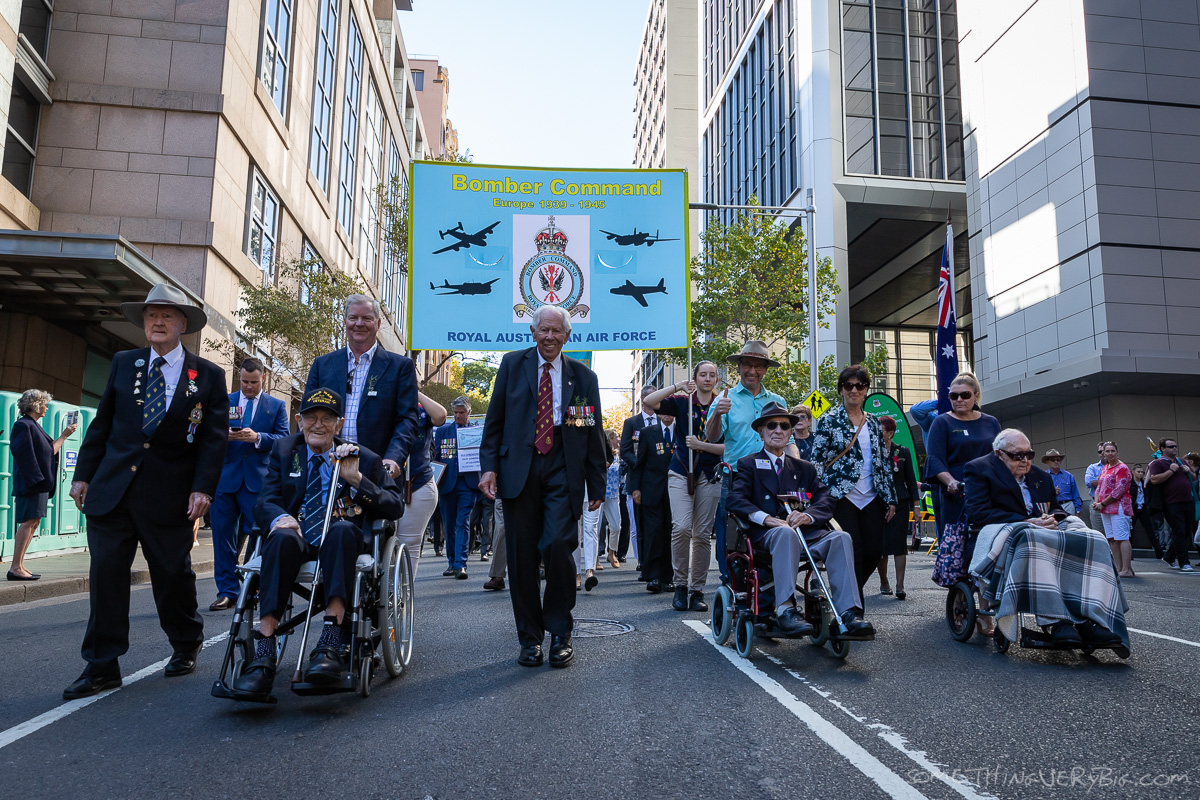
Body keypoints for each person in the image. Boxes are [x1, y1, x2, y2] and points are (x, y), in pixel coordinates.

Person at [64, 284, 228, 699]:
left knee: (172, 575)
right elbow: (101, 425)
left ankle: (186, 640)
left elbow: (212, 440)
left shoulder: (207, 376)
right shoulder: (124, 363)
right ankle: (102, 665)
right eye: (151, 315)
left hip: (169, 495)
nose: (157, 322)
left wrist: (202, 488)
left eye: (167, 315)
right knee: (106, 576)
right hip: (113, 489)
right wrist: (83, 475)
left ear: (182, 324)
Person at [231, 387, 403, 696]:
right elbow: (263, 501)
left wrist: (357, 481)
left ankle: (330, 642)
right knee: (280, 538)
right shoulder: (284, 451)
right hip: (297, 538)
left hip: (340, 541)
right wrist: (278, 517)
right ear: (299, 420)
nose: (318, 425)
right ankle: (264, 651)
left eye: (327, 419)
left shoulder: (362, 457)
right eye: (311, 417)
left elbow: (395, 505)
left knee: (340, 529)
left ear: (338, 426)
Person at [478, 305, 606, 669]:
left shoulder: (584, 377)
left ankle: (561, 633)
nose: (549, 337)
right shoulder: (512, 365)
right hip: (518, 468)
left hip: (563, 469)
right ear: (533, 333)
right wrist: (489, 468)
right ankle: (530, 639)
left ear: (568, 336)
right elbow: (494, 420)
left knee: (557, 547)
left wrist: (596, 480)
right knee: (520, 561)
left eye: (557, 331)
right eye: (543, 330)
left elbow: (594, 432)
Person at [965, 429, 1128, 649]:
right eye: (1017, 455)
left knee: (1093, 538)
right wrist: (1027, 521)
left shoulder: (1040, 476)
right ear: (999, 454)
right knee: (1033, 538)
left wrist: (1053, 518)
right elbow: (978, 513)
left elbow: (1055, 508)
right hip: (1003, 530)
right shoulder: (979, 469)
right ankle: (1055, 621)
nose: (1024, 460)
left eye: (1029, 454)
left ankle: (1094, 618)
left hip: (1041, 529)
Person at [726, 403, 873, 636]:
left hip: (805, 534)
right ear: (761, 432)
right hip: (767, 536)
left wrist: (807, 515)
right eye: (771, 425)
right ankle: (786, 609)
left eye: (784, 426)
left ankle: (848, 612)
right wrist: (767, 519)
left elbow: (825, 499)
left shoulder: (805, 468)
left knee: (841, 537)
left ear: (790, 432)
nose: (778, 430)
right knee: (784, 533)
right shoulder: (749, 464)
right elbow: (735, 500)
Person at [304, 293, 419, 487]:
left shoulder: (400, 367)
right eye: (353, 318)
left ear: (378, 322)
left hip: (376, 468)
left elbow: (407, 420)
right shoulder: (322, 365)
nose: (359, 323)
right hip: (327, 465)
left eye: (367, 318)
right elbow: (307, 414)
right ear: (345, 321)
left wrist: (393, 458)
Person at [809, 365, 896, 603]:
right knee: (852, 550)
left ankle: (846, 597)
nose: (854, 390)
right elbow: (816, 461)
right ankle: (853, 608)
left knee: (874, 551)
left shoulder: (874, 423)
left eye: (860, 385)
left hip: (872, 495)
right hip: (840, 495)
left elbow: (882, 462)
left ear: (866, 389)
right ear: (841, 390)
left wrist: (891, 499)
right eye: (849, 386)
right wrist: (816, 497)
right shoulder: (829, 421)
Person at [208, 358, 289, 611]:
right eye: (244, 381)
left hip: (257, 482)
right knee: (222, 536)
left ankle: (252, 585)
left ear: (262, 378)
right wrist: (225, 435)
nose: (248, 387)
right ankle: (227, 591)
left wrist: (258, 438)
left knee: (259, 534)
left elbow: (284, 440)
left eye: (253, 382)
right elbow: (207, 433)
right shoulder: (226, 401)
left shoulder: (275, 406)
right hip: (224, 479)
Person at [643, 361, 725, 612]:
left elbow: (728, 447)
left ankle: (697, 589)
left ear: (717, 381)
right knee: (680, 528)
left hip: (710, 474)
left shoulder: (722, 405)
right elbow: (649, 402)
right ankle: (679, 584)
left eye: (712, 375)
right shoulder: (682, 402)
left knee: (701, 534)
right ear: (695, 378)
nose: (708, 379)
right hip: (680, 471)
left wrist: (702, 446)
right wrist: (677, 386)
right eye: (703, 374)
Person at [704, 340, 787, 577]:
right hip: (737, 477)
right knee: (730, 532)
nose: (752, 371)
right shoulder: (724, 399)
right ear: (738, 366)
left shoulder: (777, 401)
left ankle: (768, 580)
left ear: (765, 370)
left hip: (772, 477)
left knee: (772, 527)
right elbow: (712, 437)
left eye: (758, 366)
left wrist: (800, 471)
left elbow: (789, 443)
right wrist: (718, 413)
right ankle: (730, 580)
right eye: (747, 365)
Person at [8, 389, 77, 581]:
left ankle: (20, 565)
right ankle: (15, 567)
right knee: (28, 522)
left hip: (39, 484)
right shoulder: (23, 425)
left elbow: (48, 452)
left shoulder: (34, 425)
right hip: (33, 484)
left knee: (34, 522)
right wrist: (37, 480)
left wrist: (64, 436)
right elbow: (24, 456)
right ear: (36, 405)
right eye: (44, 404)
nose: (46, 407)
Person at [924, 372, 1001, 538]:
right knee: (957, 544)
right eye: (954, 395)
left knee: (990, 538)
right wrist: (951, 482)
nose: (959, 400)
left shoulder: (991, 422)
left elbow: (1001, 456)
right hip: (957, 493)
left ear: (976, 396)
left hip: (988, 490)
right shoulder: (942, 422)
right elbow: (935, 459)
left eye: (965, 395)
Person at [394, 391, 446, 573]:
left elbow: (440, 415)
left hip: (417, 483)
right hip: (384, 485)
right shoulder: (383, 403)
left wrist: (414, 391)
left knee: (409, 544)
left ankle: (402, 595)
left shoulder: (422, 412)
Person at [629, 411, 676, 595]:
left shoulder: (682, 431)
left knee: (671, 534)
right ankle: (654, 576)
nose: (667, 415)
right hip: (651, 489)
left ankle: (669, 577)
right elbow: (639, 462)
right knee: (654, 532)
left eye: (669, 410)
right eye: (663, 410)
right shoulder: (648, 432)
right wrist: (636, 488)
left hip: (675, 490)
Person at [433, 396, 480, 580]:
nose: (458, 416)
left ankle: (461, 564)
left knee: (463, 522)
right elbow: (437, 456)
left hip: (468, 484)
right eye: (455, 413)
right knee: (449, 524)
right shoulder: (444, 431)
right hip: (447, 483)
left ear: (469, 413)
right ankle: (452, 562)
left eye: (461, 413)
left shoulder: (476, 431)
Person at [876, 415, 918, 600]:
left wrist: (916, 506)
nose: (877, 434)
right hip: (878, 502)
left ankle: (900, 585)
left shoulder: (902, 452)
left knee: (899, 544)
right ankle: (884, 580)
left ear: (891, 433)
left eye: (881, 431)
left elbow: (910, 480)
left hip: (901, 502)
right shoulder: (872, 451)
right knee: (881, 545)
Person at [619, 386, 657, 569]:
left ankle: (658, 560)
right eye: (652, 396)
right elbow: (625, 451)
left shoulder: (663, 420)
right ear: (643, 399)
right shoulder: (632, 422)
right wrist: (640, 464)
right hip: (637, 479)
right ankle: (643, 561)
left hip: (659, 478)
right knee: (638, 523)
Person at [1148, 437, 1195, 572]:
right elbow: (1154, 479)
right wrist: (1171, 470)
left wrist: (1189, 471)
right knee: (1179, 530)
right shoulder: (1157, 463)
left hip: (1187, 500)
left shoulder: (1182, 461)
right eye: (1170, 446)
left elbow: (1194, 478)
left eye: (1175, 446)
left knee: (1186, 532)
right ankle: (1184, 562)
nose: (1174, 448)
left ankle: (1169, 556)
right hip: (1171, 502)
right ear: (1163, 449)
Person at [1094, 442, 1134, 578]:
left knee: (1122, 537)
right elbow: (1099, 487)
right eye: (1107, 451)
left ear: (1117, 452)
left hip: (1120, 506)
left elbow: (1119, 490)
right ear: (1103, 453)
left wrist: (1102, 503)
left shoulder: (1122, 468)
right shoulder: (1105, 468)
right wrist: (1096, 502)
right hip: (1106, 507)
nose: (1110, 453)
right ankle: (1119, 567)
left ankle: (1126, 569)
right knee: (1111, 538)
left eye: (1112, 451)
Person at [1129, 464, 1164, 560]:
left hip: (1144, 509)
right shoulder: (1130, 484)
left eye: (1142, 472)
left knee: (1150, 531)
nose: (1140, 474)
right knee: (1130, 532)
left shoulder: (1144, 484)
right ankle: (1129, 555)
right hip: (1133, 509)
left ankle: (1159, 553)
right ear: (1133, 472)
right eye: (1138, 472)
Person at [600, 429, 623, 568]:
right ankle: (595, 559)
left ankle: (611, 552)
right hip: (600, 493)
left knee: (616, 526)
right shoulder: (601, 454)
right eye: (616, 437)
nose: (618, 439)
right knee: (595, 528)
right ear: (609, 439)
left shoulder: (619, 455)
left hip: (613, 494)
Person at [1041, 449, 1082, 516]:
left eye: (1058, 460)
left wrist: (1078, 510)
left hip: (1068, 505)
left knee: (1070, 526)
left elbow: (1075, 494)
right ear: (1047, 462)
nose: (1056, 462)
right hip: (1052, 507)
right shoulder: (1043, 477)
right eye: (1053, 460)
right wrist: (1052, 492)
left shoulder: (1069, 476)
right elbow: (1041, 495)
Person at [1084, 442, 1107, 533]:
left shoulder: (1117, 467)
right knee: (1098, 533)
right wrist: (1107, 480)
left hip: (1113, 502)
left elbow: (1117, 484)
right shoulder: (1092, 467)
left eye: (1104, 451)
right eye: (1099, 451)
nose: (1102, 453)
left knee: (1114, 534)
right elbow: (1089, 482)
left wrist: (1099, 479)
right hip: (1096, 503)